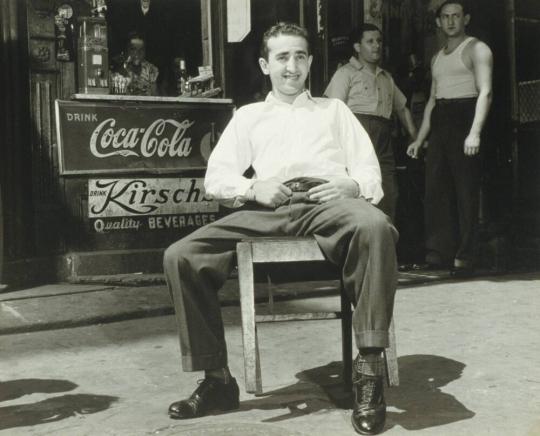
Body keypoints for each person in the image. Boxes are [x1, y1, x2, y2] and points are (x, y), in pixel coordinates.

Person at [163, 22, 398, 435]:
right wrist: (254, 186)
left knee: (375, 225)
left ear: (310, 62)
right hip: (269, 208)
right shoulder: (248, 116)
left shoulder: (334, 110)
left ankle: (369, 370)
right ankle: (217, 379)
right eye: (282, 57)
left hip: (327, 203)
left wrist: (352, 184)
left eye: (300, 56)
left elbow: (370, 172)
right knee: (181, 255)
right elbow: (216, 178)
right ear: (264, 64)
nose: (292, 66)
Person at [407, 0, 493, 274]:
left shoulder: (477, 49)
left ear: (466, 18)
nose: (451, 21)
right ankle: (438, 253)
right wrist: (419, 139)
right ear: (438, 22)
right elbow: (432, 100)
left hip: (466, 115)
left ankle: (466, 255)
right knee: (436, 188)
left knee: (466, 190)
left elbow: (486, 92)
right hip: (442, 118)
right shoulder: (437, 56)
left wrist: (475, 132)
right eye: (445, 17)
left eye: (456, 16)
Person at [325, 23, 417, 223]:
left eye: (379, 41)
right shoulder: (345, 74)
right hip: (356, 135)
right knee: (358, 192)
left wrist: (415, 138)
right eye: (370, 41)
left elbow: (402, 109)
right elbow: (333, 110)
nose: (376, 46)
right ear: (357, 47)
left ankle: (385, 247)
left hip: (383, 140)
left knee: (388, 192)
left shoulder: (387, 78)